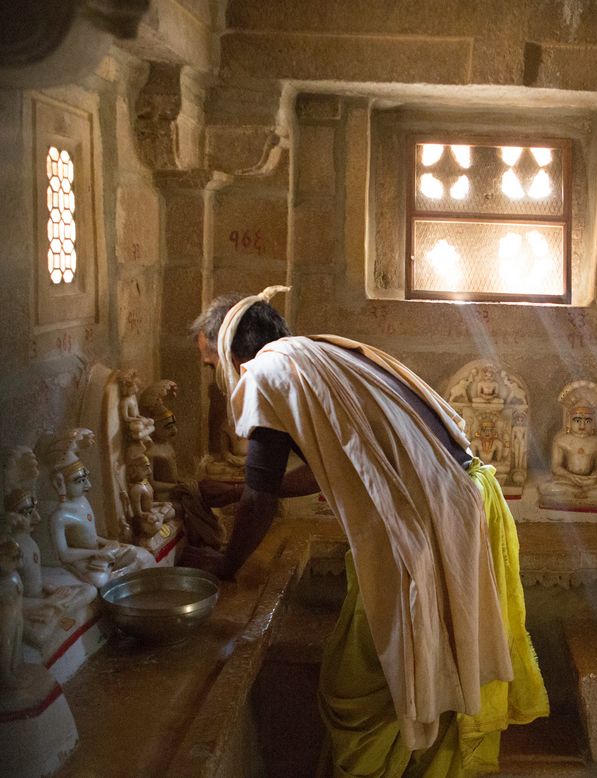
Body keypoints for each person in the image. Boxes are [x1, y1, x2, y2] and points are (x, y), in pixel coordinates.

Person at [182, 288, 548, 776]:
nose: (215, 378)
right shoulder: (322, 357)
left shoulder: (267, 374)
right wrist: (235, 492)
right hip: (463, 502)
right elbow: (331, 467)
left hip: (431, 524)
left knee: (358, 689)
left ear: (231, 352)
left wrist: (226, 567)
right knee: (435, 666)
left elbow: (261, 499)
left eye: (211, 366)